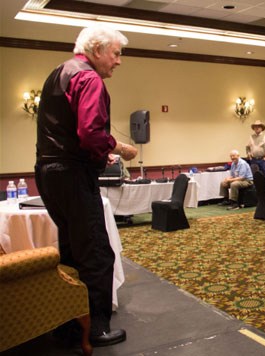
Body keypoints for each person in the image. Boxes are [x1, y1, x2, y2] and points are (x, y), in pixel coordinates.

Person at [35, 25, 138, 346]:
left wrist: (96, 155)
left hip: (49, 172)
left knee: (70, 250)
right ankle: (95, 329)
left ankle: (69, 324)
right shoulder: (89, 78)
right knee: (95, 253)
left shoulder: (59, 72)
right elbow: (92, 134)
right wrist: (119, 148)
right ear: (97, 50)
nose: (119, 61)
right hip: (73, 175)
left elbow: (70, 133)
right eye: (116, 54)